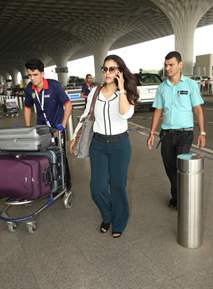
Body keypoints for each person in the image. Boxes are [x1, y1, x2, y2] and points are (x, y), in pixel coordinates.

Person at [70, 54, 138, 238]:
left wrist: (122, 89)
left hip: (120, 145)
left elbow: (125, 114)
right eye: (105, 69)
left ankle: (119, 221)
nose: (107, 72)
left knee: (117, 185)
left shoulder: (127, 93)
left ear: (119, 71)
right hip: (98, 144)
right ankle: (108, 215)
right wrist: (74, 135)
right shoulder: (95, 91)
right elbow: (86, 115)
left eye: (112, 69)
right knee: (97, 188)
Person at [147, 51, 206, 209]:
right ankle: (177, 195)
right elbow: (158, 111)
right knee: (170, 168)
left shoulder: (190, 85)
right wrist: (152, 132)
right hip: (166, 135)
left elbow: (198, 110)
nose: (168, 68)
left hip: (185, 134)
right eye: (166, 65)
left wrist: (202, 132)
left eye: (171, 64)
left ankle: (180, 199)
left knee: (182, 167)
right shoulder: (161, 88)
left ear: (180, 65)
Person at [23, 59, 72, 193]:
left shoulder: (54, 86)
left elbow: (68, 104)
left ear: (42, 74)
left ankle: (65, 186)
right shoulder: (29, 89)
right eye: (29, 75)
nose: (32, 78)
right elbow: (27, 107)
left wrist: (62, 124)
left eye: (35, 74)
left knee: (60, 155)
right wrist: (28, 128)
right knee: (45, 156)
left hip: (57, 128)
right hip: (42, 130)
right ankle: (50, 184)